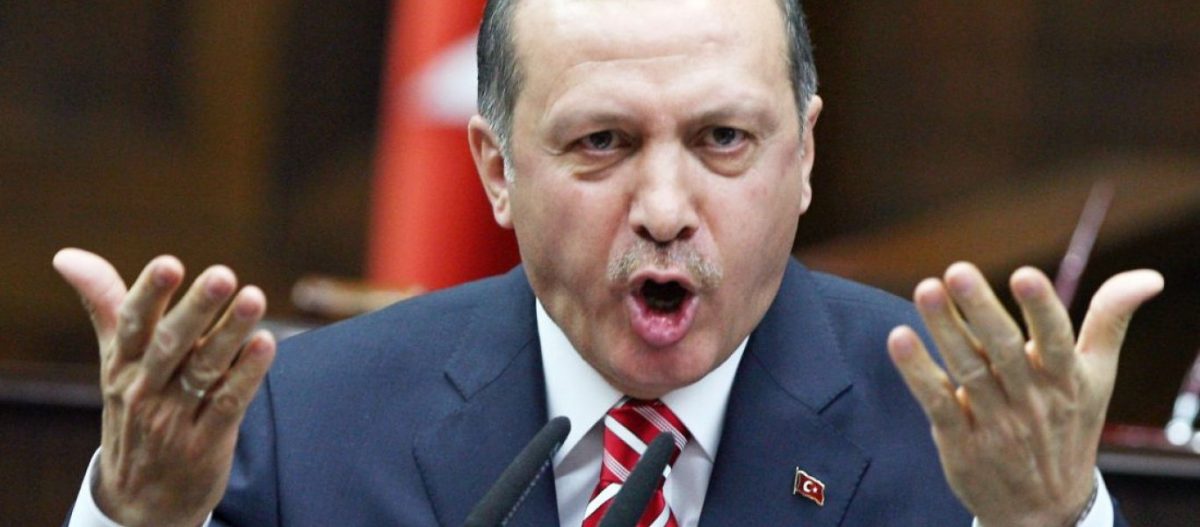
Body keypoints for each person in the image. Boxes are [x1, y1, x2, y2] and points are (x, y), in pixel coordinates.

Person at [59, 0, 1164, 525]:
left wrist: (1048, 520)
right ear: (496, 171)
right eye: (602, 142)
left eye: (723, 139)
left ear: (804, 154)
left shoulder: (964, 429)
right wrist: (138, 515)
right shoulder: (301, 422)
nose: (667, 209)